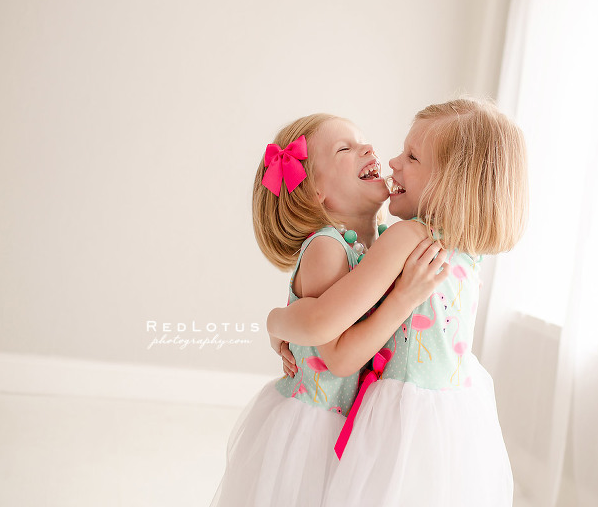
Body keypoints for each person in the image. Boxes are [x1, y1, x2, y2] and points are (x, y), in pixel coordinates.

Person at [268, 98, 529, 506]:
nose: (390, 160)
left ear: (450, 182)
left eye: (411, 156)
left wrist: (276, 320)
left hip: (401, 415)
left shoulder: (404, 238)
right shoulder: (468, 252)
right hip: (454, 421)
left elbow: (329, 337)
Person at [209, 113, 446, 507]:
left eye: (363, 141)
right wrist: (402, 296)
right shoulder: (327, 249)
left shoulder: (382, 246)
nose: (369, 149)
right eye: (345, 148)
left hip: (356, 422)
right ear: (316, 192)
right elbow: (335, 349)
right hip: (317, 425)